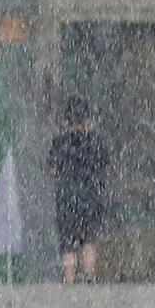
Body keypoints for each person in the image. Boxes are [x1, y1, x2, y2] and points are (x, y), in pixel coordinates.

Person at [48, 95, 109, 285]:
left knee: (68, 245)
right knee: (89, 240)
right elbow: (103, 167)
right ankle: (89, 276)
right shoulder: (95, 142)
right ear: (87, 118)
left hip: (67, 199)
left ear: (67, 118)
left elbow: (51, 170)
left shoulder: (59, 143)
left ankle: (69, 282)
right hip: (90, 198)